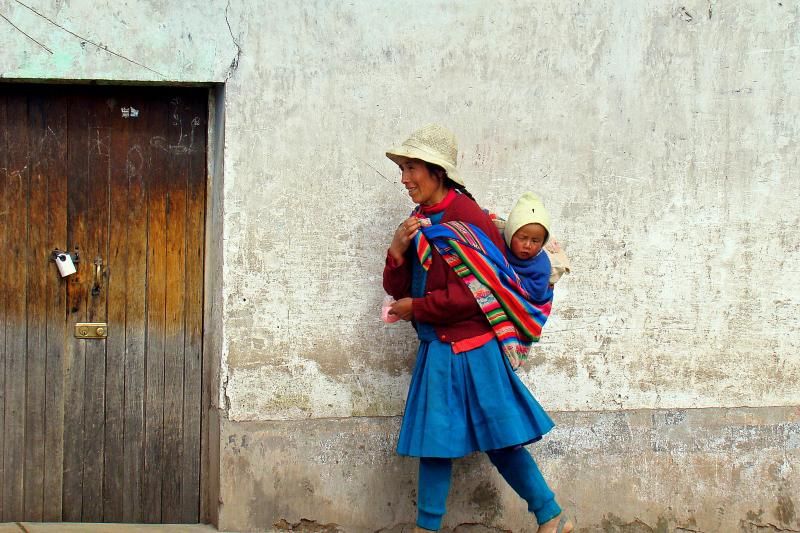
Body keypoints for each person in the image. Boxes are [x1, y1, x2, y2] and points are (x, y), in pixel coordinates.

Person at [382, 124, 573, 533]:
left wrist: (418, 307)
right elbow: (399, 288)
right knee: (435, 443)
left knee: (501, 440)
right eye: (402, 169)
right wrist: (396, 252)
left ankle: (552, 516)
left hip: (474, 349)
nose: (404, 178)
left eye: (411, 168)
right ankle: (426, 528)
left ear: (436, 171)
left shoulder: (466, 218)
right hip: (439, 347)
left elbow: (477, 295)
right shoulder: (419, 221)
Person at [503, 192, 555, 304]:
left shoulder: (542, 266)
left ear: (543, 242)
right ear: (510, 234)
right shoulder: (498, 244)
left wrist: (510, 278)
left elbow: (537, 294)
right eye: (522, 238)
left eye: (535, 241)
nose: (527, 245)